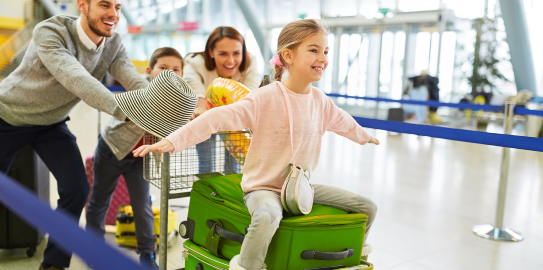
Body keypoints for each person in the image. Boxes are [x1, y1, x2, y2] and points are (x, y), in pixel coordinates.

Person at [133, 19, 379, 270]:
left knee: (366, 207)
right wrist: (170, 142)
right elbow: (214, 119)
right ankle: (247, 265)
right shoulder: (264, 98)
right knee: (267, 215)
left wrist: (364, 136)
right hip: (264, 188)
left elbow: (343, 121)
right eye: (314, 50)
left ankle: (353, 255)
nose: (323, 58)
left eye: (326, 51)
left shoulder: (321, 101)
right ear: (288, 55)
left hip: (299, 189)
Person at [0, 0, 148, 269]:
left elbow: (135, 80)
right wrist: (131, 111)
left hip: (50, 124)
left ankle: (54, 264)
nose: (113, 14)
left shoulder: (113, 44)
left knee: (77, 190)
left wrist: (166, 103)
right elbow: (78, 79)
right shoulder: (51, 31)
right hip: (7, 117)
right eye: (105, 5)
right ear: (82, 5)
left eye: (117, 6)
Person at [85, 47, 183, 270]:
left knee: (142, 205)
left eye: (176, 69)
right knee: (100, 200)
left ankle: (147, 255)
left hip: (140, 158)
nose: (170, 73)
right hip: (112, 150)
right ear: (149, 71)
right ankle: (93, 248)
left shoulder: (179, 101)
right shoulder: (143, 90)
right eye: (163, 68)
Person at [183, 26, 261, 175]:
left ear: (243, 52)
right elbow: (197, 93)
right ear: (211, 52)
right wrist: (202, 111)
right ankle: (208, 195)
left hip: (234, 116)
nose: (231, 61)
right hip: (206, 113)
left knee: (234, 166)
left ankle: (231, 195)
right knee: (207, 164)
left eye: (237, 53)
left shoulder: (250, 63)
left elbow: (247, 96)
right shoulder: (194, 64)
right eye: (223, 53)